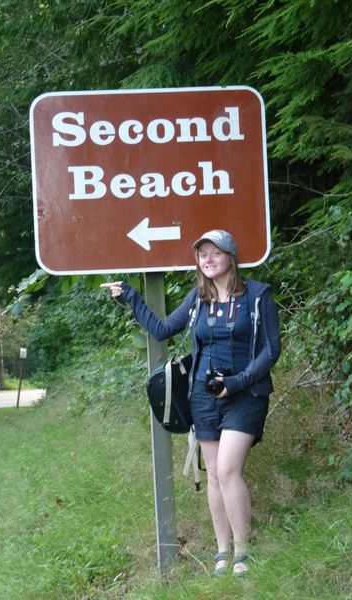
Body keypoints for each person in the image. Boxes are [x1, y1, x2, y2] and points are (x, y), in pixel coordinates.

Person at [101, 229, 281, 578]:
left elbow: (271, 349)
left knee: (229, 469)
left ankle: (244, 550)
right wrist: (131, 297)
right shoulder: (199, 298)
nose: (208, 260)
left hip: (246, 393)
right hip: (203, 394)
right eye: (202, 255)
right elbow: (164, 328)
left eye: (215, 253)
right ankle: (222, 551)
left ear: (231, 257)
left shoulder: (258, 296)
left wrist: (237, 383)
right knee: (213, 473)